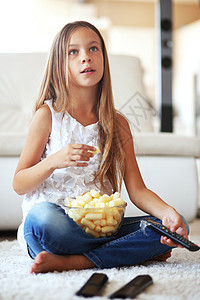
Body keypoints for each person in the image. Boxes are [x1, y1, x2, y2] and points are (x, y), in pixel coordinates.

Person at [13, 21, 189, 274]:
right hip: (51, 227)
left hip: (98, 228)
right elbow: (19, 183)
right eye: (73, 52)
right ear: (59, 65)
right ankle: (119, 253)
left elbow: (137, 190)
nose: (86, 58)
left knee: (175, 227)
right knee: (43, 219)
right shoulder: (47, 115)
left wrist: (168, 212)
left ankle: (75, 261)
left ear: (103, 59)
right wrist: (53, 161)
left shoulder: (117, 124)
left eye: (93, 49)